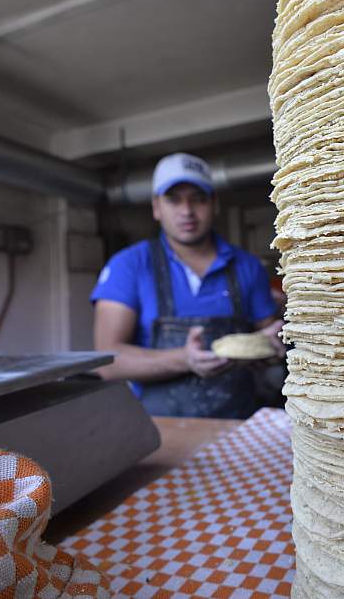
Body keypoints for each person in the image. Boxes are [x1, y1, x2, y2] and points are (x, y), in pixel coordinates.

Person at [91, 152, 284, 419]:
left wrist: (275, 345)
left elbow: (269, 346)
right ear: (156, 207)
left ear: (214, 204)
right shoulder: (129, 266)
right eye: (174, 199)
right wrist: (185, 359)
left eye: (198, 199)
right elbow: (107, 361)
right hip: (159, 428)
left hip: (237, 422)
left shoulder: (247, 267)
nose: (187, 211)